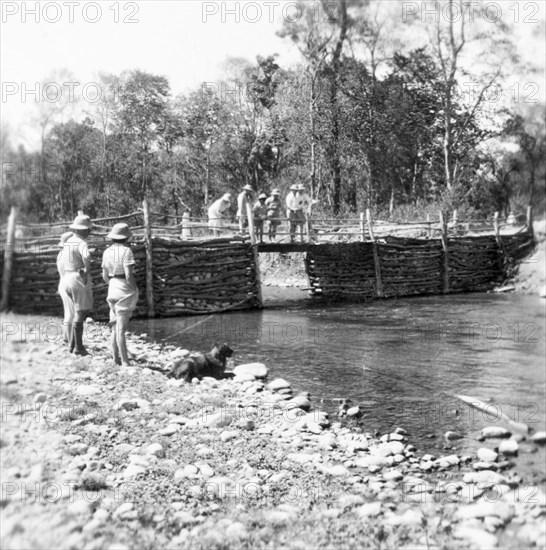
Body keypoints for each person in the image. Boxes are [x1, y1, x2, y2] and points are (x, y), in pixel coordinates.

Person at [101, 223, 139, 366]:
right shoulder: (127, 251)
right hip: (124, 289)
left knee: (115, 327)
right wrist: (134, 289)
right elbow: (129, 275)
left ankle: (115, 358)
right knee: (121, 329)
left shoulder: (107, 252)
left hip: (112, 286)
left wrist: (112, 283)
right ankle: (125, 361)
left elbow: (104, 276)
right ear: (126, 237)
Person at [57, 214, 94, 355]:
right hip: (77, 277)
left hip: (67, 277)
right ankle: (79, 347)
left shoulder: (68, 242)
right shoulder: (82, 243)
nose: (89, 232)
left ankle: (71, 346)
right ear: (83, 230)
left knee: (74, 312)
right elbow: (87, 256)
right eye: (88, 229)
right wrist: (87, 269)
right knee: (80, 312)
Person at [56, 231, 75, 345]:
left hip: (63, 282)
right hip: (67, 282)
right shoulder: (66, 255)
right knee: (71, 314)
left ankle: (66, 337)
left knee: (68, 311)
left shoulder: (61, 254)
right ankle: (69, 340)